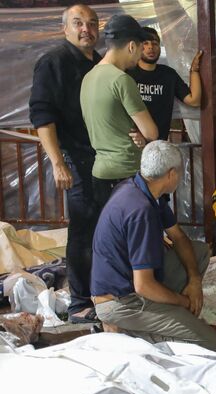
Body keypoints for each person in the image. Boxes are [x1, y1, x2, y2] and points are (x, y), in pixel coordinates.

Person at [91, 140, 216, 351]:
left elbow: (179, 237)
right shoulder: (141, 211)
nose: (180, 178)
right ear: (171, 174)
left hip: (131, 286)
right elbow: (143, 286)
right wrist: (183, 302)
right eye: (180, 173)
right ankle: (126, 333)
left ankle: (165, 316)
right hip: (121, 302)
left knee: (198, 251)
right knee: (213, 343)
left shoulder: (140, 189)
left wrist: (194, 280)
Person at [29, 4, 101, 323]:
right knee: (83, 227)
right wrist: (58, 162)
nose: (86, 28)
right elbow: (42, 115)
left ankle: (103, 291)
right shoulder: (53, 63)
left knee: (104, 226)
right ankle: (80, 303)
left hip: (105, 157)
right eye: (78, 23)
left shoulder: (100, 64)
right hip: (75, 155)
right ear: (66, 29)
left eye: (92, 23)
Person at [81, 14, 158, 209]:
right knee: (133, 236)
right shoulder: (122, 80)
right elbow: (151, 133)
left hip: (100, 173)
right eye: (141, 48)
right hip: (126, 173)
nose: (141, 54)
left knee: (112, 235)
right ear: (131, 46)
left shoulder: (88, 78)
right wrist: (143, 134)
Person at [127, 27, 202, 141]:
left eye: (155, 43)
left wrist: (194, 71)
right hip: (131, 145)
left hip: (158, 146)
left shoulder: (168, 75)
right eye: (145, 43)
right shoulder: (127, 74)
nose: (151, 47)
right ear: (136, 46)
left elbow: (194, 101)